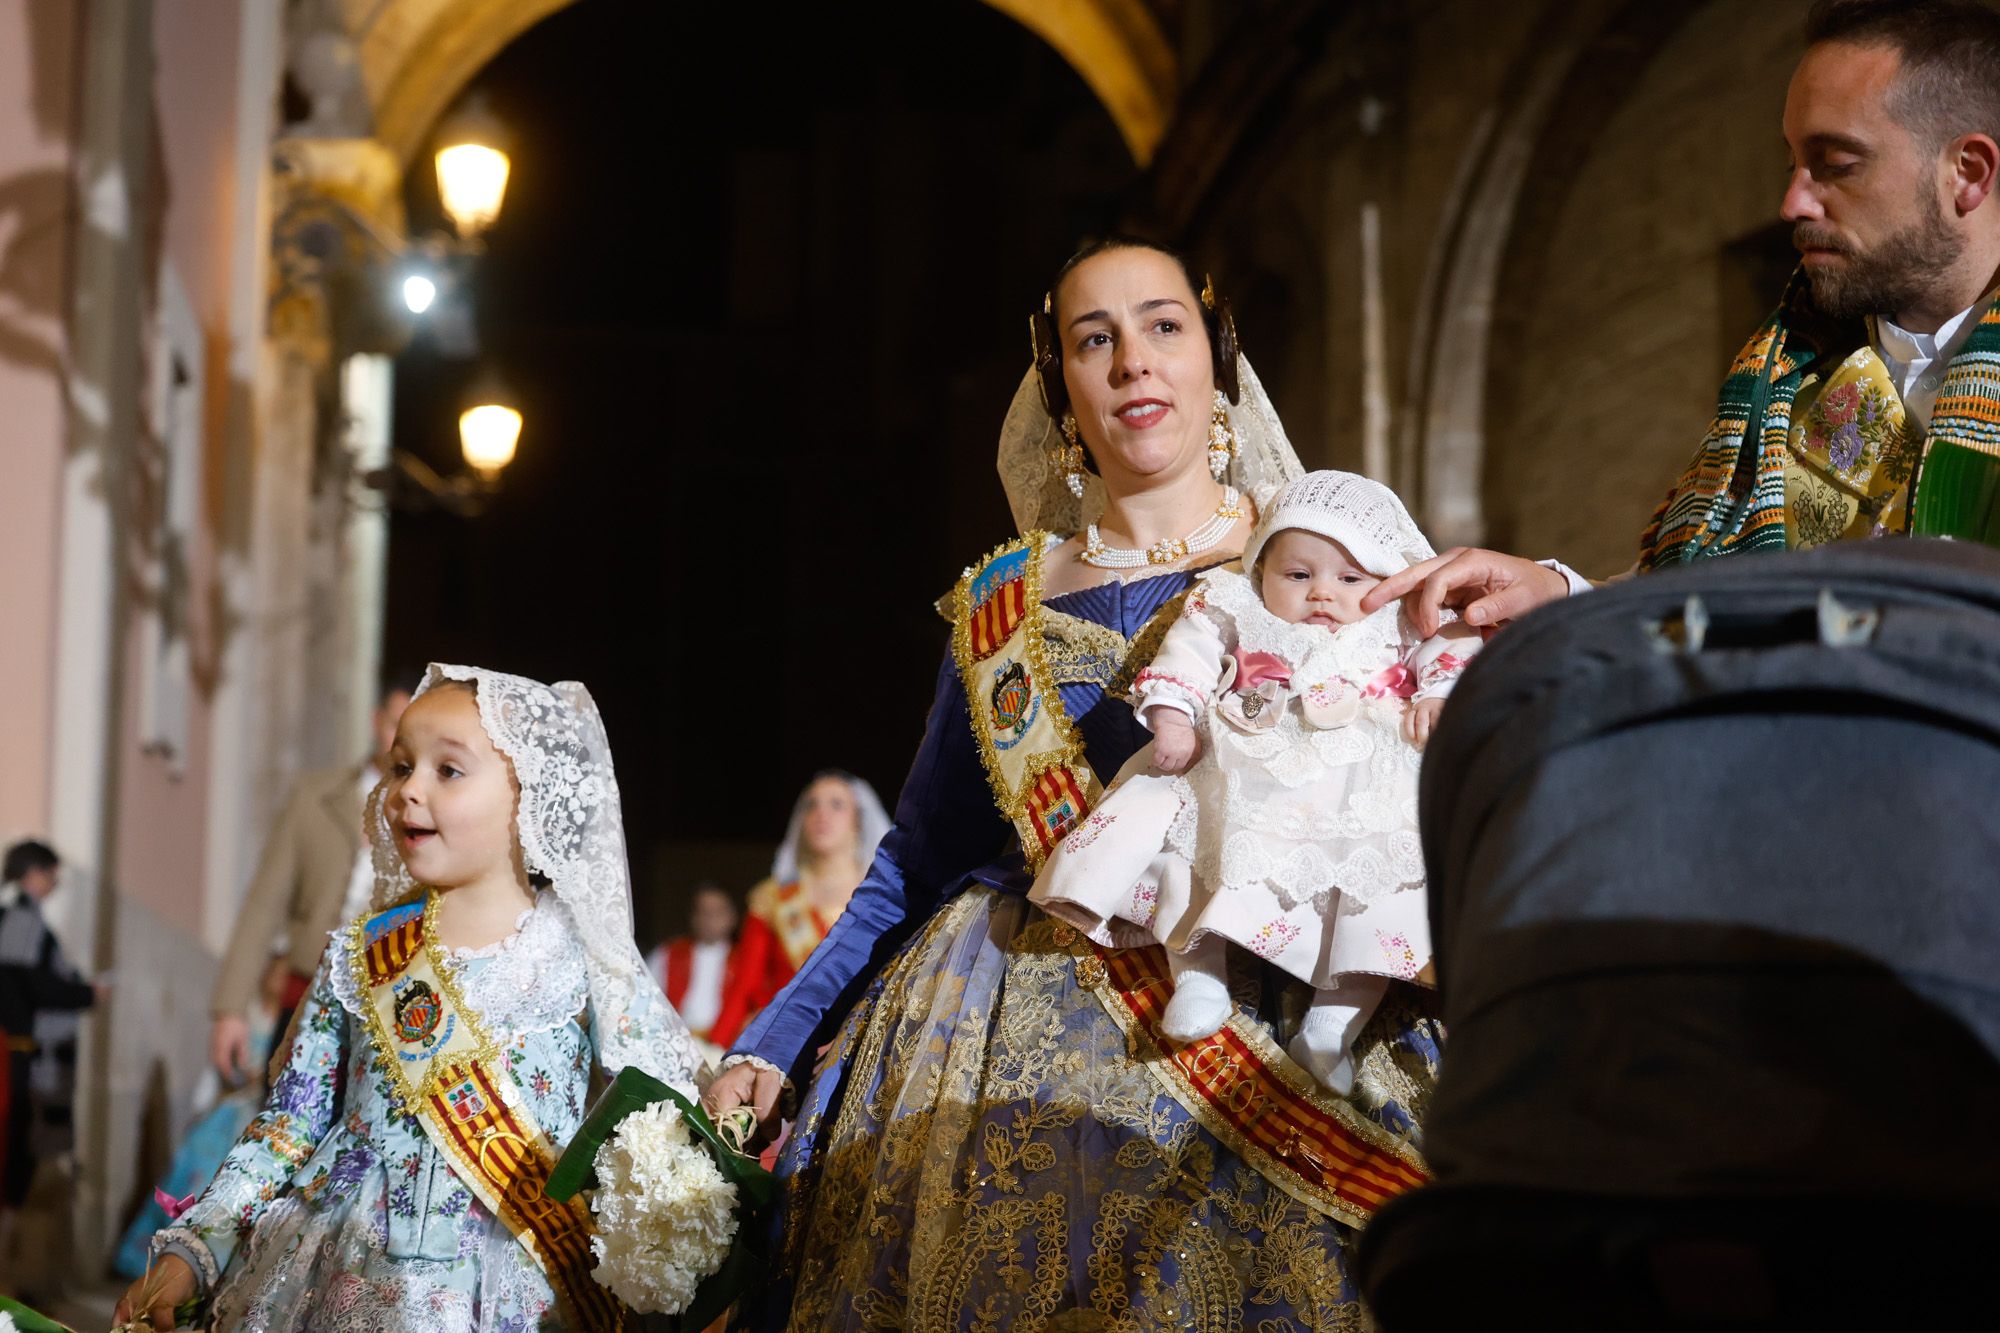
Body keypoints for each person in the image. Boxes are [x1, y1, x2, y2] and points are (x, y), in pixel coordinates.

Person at [706, 238, 1439, 1330]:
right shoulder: (1000, 604)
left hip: (1269, 1001)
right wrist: (772, 1038)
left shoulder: (1325, 558)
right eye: (1094, 340)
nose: (1132, 360)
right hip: (989, 1039)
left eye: (1162, 326)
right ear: (1061, 392)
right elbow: (915, 859)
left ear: (1216, 360)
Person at [1365, 0, 2000, 632]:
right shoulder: (1787, 382)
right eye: (1793, 165)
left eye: (1835, 165)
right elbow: (1706, 605)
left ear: (1967, 173)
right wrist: (1561, 594)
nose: (1792, 203)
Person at [116, 665, 703, 1331]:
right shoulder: (360, 954)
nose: (407, 791)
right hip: (338, 1270)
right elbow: (289, 1125)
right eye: (400, 767)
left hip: (515, 1289)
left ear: (529, 793)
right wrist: (194, 1251)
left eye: (447, 770)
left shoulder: (585, 957)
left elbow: (662, 1122)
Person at [1031, 470, 1479, 1093]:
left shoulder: (1399, 619)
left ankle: (1331, 1029)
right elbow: (1188, 654)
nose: (1322, 592)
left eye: (1350, 579)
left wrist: (1439, 694)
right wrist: (1173, 718)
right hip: (1246, 762)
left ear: (1388, 579)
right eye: (1297, 574)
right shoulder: (1233, 602)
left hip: (1363, 792)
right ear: (1262, 566)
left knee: (1377, 906)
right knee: (1191, 853)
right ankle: (1200, 978)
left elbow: (1449, 647)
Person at [208, 676, 413, 1085]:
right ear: (376, 721)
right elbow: (264, 903)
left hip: (387, 1015)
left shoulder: (426, 812)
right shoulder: (314, 796)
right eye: (396, 725)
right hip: (302, 1000)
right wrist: (230, 1008)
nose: (401, 742)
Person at [705, 772, 888, 1050]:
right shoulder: (772, 899)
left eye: (836, 805)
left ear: (858, 821)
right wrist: (714, 1049)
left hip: (860, 1044)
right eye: (811, 805)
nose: (821, 814)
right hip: (781, 1046)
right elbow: (742, 989)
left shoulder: (881, 899)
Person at [0, 841, 99, 1226]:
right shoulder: (19, 914)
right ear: (33, 873)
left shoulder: (20, 913)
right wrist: (85, 993)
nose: (54, 884)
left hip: (20, 1046)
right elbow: (23, 982)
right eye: (51, 875)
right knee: (16, 1141)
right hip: (17, 1049)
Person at [647, 882, 740, 1054]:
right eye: (704, 912)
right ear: (693, 916)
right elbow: (647, 1003)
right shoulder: (667, 954)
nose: (710, 919)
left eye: (718, 912)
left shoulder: (744, 959)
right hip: (675, 1046)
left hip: (728, 1048)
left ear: (732, 916)